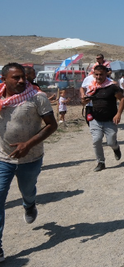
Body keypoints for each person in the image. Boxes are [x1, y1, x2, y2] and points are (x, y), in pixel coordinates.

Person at [0, 63, 58, 261]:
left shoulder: (37, 97)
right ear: (4, 79)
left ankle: (29, 203)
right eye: (15, 77)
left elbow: (52, 125)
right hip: (3, 158)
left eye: (23, 77)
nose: (22, 80)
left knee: (28, 189)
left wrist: (27, 144)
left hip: (30, 157)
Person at [81, 65, 124, 172]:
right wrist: (84, 101)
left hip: (110, 119)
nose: (98, 77)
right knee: (96, 140)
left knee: (110, 142)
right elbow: (83, 102)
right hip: (95, 119)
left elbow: (122, 99)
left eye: (101, 74)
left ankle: (116, 148)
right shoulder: (92, 87)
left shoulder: (112, 87)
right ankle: (100, 162)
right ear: (93, 74)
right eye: (96, 74)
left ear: (106, 74)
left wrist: (118, 114)